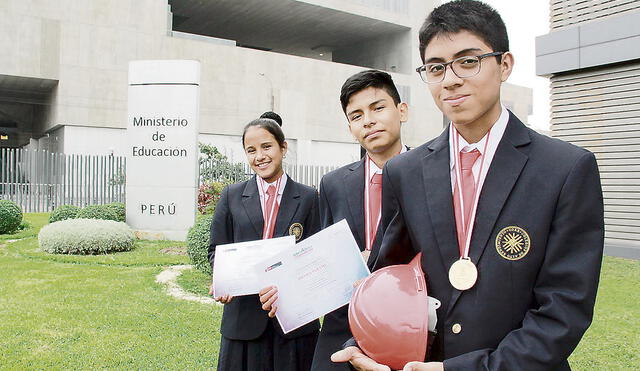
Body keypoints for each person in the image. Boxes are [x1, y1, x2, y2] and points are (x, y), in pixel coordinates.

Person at [332, 1, 605, 370]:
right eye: (436, 67)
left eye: (468, 61)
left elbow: (564, 309)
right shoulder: (405, 172)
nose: (450, 79)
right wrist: (363, 346)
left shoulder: (566, 169)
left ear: (504, 65)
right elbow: (387, 279)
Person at [259, 69, 409, 370]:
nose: (368, 120)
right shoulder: (334, 184)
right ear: (350, 127)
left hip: (407, 327)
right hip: (341, 330)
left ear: (401, 111)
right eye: (356, 115)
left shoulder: (430, 175)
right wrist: (286, 287)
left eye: (378, 108)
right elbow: (320, 253)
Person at [208, 118, 320, 371]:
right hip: (243, 322)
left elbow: (315, 254)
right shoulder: (231, 196)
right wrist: (222, 278)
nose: (260, 156)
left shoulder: (309, 198)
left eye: (266, 147)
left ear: (283, 147)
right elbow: (216, 249)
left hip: (293, 323)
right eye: (251, 150)